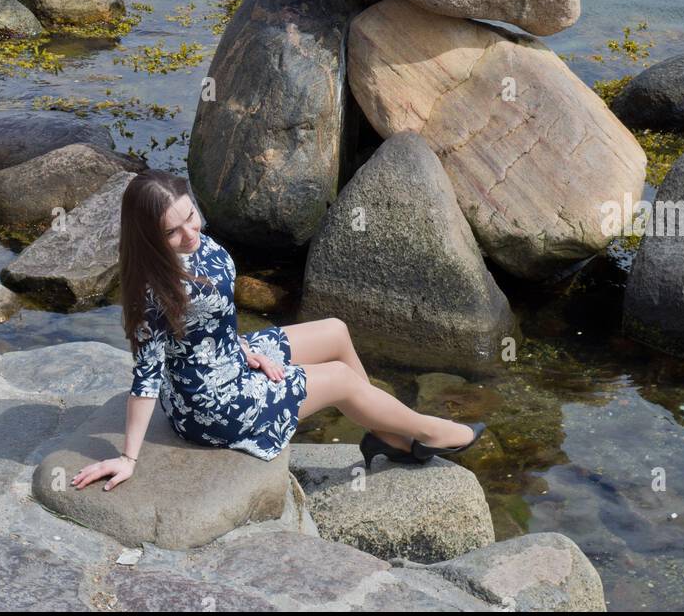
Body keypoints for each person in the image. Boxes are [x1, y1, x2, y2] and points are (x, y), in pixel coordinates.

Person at [71, 170, 484, 491]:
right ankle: (427, 431)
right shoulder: (152, 289)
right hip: (212, 405)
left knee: (336, 331)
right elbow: (145, 378)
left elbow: (216, 315)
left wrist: (240, 348)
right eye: (172, 231)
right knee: (339, 380)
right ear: (149, 235)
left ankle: (387, 433)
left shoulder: (198, 242)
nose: (190, 234)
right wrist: (129, 458)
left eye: (190, 217)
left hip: (230, 356)